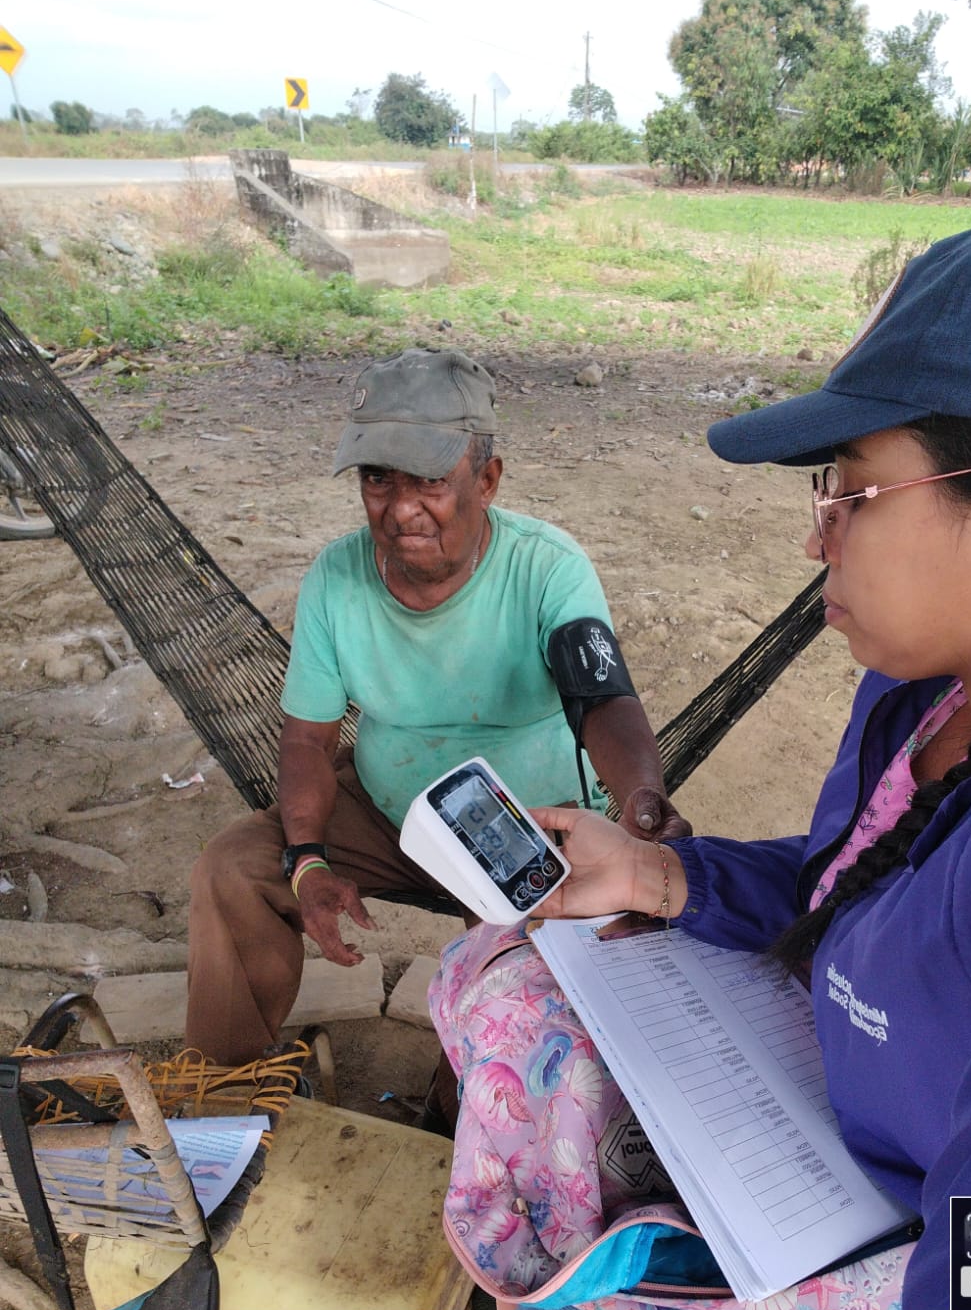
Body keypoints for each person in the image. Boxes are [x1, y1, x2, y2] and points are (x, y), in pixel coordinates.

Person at [428, 214, 971, 1310]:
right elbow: (866, 879)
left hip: (933, 1249)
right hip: (829, 1122)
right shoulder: (928, 690)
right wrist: (660, 875)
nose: (815, 538)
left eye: (851, 493)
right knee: (507, 972)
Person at [185, 347, 687, 1064]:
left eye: (429, 480)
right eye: (378, 479)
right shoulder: (336, 579)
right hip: (388, 810)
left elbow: (604, 701)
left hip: (526, 823)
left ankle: (462, 1109)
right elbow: (306, 743)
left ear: (487, 480)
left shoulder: (547, 568)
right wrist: (308, 862)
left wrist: (640, 799)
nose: (400, 509)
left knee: (515, 1006)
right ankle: (223, 1084)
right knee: (234, 868)